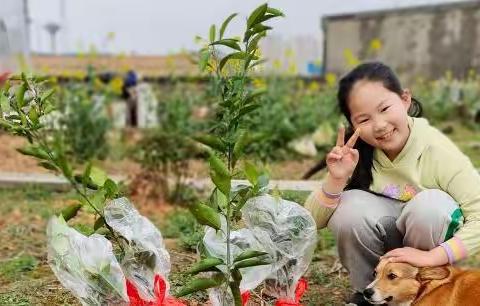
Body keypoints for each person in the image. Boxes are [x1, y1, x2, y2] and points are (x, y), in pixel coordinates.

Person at [304, 62, 480, 305]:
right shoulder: (357, 156)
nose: (379, 125)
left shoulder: (438, 151)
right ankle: (371, 292)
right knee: (349, 207)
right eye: (364, 119)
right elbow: (309, 221)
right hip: (385, 255)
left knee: (431, 207)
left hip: (427, 259)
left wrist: (430, 257)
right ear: (352, 125)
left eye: (385, 108)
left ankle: (421, 292)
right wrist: (336, 178)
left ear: (405, 99)